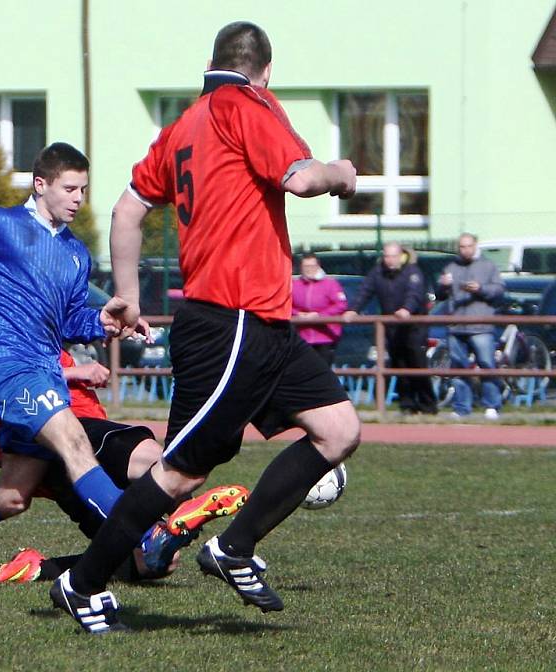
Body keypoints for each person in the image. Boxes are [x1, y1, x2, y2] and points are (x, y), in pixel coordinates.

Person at [49, 21, 360, 634]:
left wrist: (129, 294)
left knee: (337, 429)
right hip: (230, 320)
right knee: (182, 472)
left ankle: (233, 547)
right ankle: (81, 583)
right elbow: (299, 178)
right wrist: (341, 173)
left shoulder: (183, 124)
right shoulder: (247, 104)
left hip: (262, 321)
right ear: (264, 71)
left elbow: (127, 208)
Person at [0, 142, 162, 574]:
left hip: (46, 372)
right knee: (76, 444)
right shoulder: (1, 223)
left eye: (84, 190)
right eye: (70, 188)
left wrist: (105, 321)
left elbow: (71, 319)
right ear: (41, 185)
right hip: (6, 365)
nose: (79, 198)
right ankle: (143, 534)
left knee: (12, 497)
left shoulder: (77, 253)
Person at [0, 348, 248, 581]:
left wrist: (110, 318)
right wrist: (77, 373)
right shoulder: (12, 320)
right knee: (151, 462)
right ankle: (166, 521)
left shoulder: (49, 283)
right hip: (69, 423)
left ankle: (37, 569)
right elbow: (10, 378)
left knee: (152, 564)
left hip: (56, 461)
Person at [344, 243, 437, 415]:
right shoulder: (377, 272)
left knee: (417, 364)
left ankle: (427, 404)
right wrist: (353, 309)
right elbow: (365, 291)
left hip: (414, 327)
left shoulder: (412, 272)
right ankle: (407, 405)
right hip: (393, 327)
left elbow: (414, 293)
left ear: (401, 256)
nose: (389, 260)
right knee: (398, 364)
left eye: (393, 256)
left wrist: (407, 309)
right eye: (386, 256)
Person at [436, 233, 505, 419]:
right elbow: (440, 295)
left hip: (480, 325)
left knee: (486, 364)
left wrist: (480, 289)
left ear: (475, 246)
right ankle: (461, 407)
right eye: (461, 247)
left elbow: (499, 291)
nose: (465, 250)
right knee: (458, 367)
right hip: (456, 325)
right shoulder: (451, 266)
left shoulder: (488, 266)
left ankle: (492, 405)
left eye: (468, 246)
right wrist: (442, 286)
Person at [292, 253, 348, 366]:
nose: (309, 270)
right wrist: (298, 314)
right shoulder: (295, 285)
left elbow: (341, 305)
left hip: (326, 336)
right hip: (303, 337)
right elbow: (286, 304)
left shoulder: (330, 284)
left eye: (312, 266)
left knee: (323, 370)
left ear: (318, 266)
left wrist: (320, 315)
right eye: (306, 267)